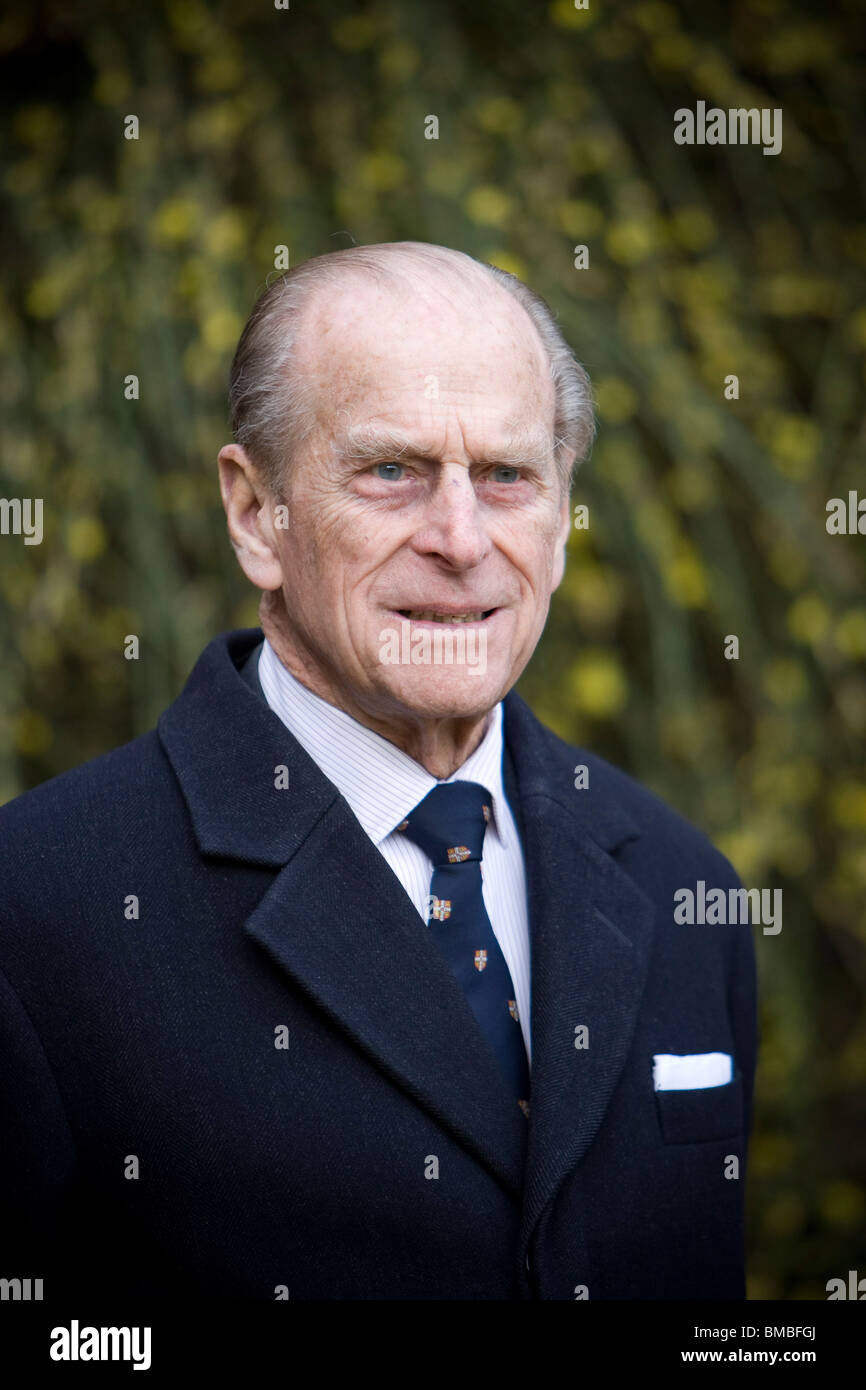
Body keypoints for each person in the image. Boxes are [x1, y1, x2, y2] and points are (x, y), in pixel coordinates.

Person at [0, 241, 757, 1300]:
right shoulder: (36, 911)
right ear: (255, 513)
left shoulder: (687, 892)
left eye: (505, 476)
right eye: (391, 470)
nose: (459, 538)